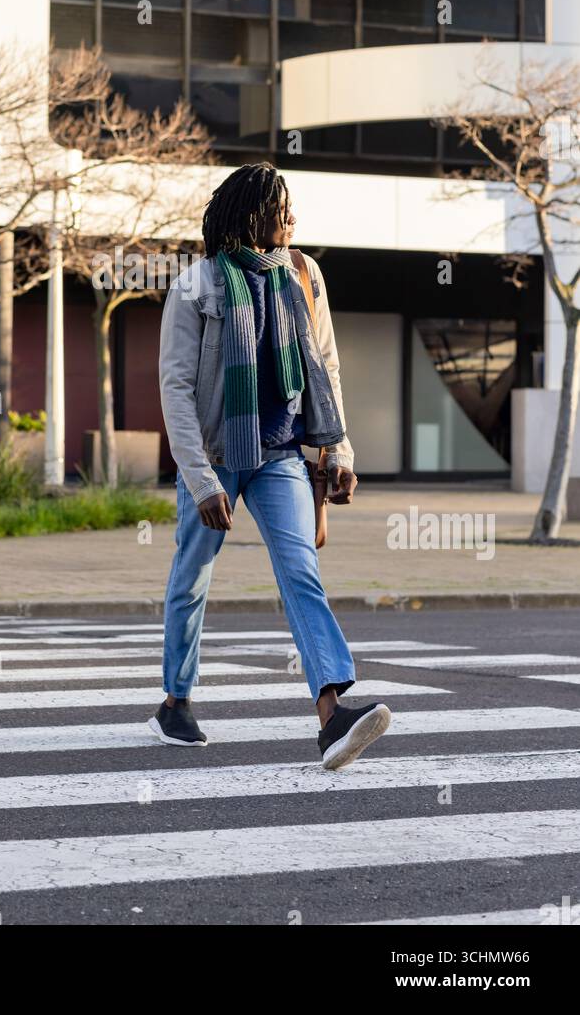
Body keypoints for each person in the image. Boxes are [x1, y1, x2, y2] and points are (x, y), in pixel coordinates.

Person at [154, 163, 391, 769]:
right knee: (192, 578)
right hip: (215, 457)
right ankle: (176, 701)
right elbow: (176, 388)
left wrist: (338, 450)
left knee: (300, 572)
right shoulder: (196, 285)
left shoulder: (305, 275)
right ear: (249, 213)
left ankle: (333, 715)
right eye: (280, 207)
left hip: (281, 452)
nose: (292, 218)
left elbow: (326, 366)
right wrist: (201, 480)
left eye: (292, 207)